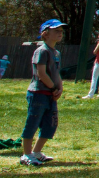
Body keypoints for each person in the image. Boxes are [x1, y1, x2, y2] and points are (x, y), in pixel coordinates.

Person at [21, 20, 65, 167]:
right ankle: (26, 155)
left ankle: (37, 152)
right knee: (32, 123)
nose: (60, 33)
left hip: (50, 94)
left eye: (61, 31)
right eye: (56, 30)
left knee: (50, 125)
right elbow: (41, 73)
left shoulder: (56, 53)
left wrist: (60, 88)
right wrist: (53, 88)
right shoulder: (41, 51)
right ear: (45, 34)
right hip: (38, 93)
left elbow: (56, 73)